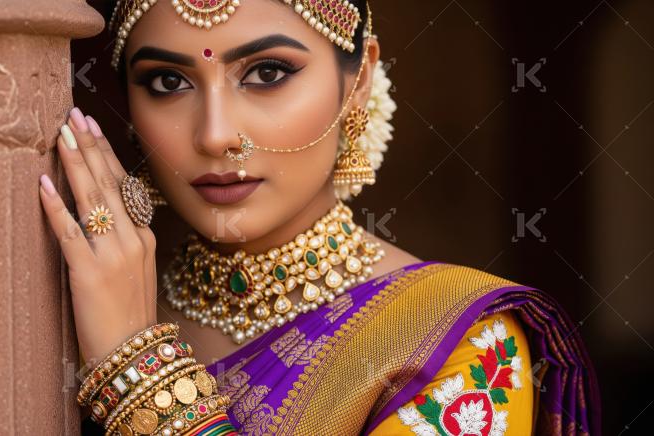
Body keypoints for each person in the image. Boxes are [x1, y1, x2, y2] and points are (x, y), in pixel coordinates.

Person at [37, 0, 601, 434]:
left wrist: (137, 367)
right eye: (168, 81)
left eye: (266, 73)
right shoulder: (73, 300)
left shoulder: (462, 344)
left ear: (356, 85)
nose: (214, 135)